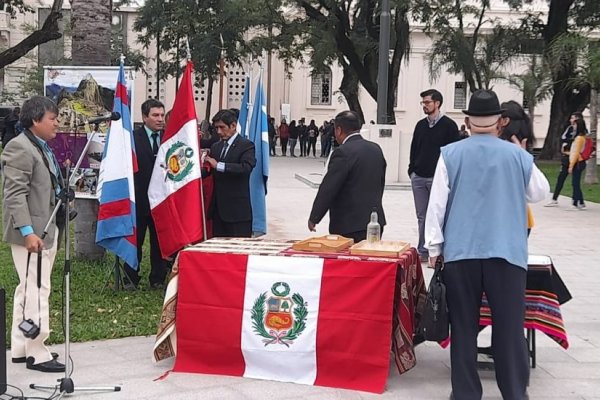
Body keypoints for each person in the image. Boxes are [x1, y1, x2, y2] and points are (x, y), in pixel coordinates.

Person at [425, 89, 549, 400]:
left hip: (462, 254)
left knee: (464, 327)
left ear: (466, 121)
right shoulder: (517, 155)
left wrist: (434, 247)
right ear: (501, 121)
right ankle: (513, 392)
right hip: (506, 255)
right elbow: (539, 193)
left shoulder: (450, 154)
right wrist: (522, 154)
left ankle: (466, 392)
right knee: (508, 328)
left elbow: (436, 205)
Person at [1, 96, 66, 373]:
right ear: (35, 120)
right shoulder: (19, 147)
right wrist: (28, 233)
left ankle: (19, 347)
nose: (57, 123)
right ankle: (37, 351)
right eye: (52, 118)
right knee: (38, 290)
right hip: (32, 235)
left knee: (27, 288)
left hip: (47, 229)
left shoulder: (42, 147)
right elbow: (14, 195)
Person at [308, 110, 386, 243]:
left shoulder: (342, 153)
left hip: (348, 224)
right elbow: (380, 182)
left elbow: (329, 188)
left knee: (350, 262)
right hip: (375, 221)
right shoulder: (375, 149)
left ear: (338, 130)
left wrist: (314, 217)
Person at [408, 89, 460, 262]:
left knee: (440, 214)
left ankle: (440, 251)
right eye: (423, 102)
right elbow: (414, 148)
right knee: (422, 215)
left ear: (437, 103)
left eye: (428, 102)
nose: (425, 105)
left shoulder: (449, 126)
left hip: (438, 178)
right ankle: (423, 250)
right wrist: (412, 170)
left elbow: (453, 153)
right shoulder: (419, 125)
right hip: (419, 177)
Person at [124, 99, 170, 290]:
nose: (160, 120)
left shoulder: (170, 138)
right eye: (155, 115)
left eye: (162, 115)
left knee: (159, 242)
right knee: (136, 240)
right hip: (139, 198)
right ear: (144, 117)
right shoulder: (133, 138)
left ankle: (158, 278)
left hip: (162, 201)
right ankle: (130, 277)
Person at [205, 109, 256, 237]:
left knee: (237, 252)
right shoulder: (216, 147)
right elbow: (210, 171)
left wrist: (219, 166)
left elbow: (246, 168)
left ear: (233, 126)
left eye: (222, 127)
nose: (219, 132)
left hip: (238, 213)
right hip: (218, 212)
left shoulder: (246, 145)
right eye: (216, 128)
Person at [545, 112, 583, 207]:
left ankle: (578, 201)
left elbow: (576, 144)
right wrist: (567, 143)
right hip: (566, 157)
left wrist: (568, 143)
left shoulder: (582, 133)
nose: (570, 120)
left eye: (573, 118)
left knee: (575, 182)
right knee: (561, 178)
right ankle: (554, 199)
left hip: (576, 158)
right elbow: (563, 138)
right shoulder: (569, 129)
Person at [567, 118, 588, 210]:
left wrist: (571, 165)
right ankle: (581, 202)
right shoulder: (581, 137)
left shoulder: (579, 138)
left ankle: (575, 203)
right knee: (576, 183)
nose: (573, 126)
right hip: (579, 161)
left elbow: (576, 153)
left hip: (577, 162)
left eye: (575, 125)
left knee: (575, 183)